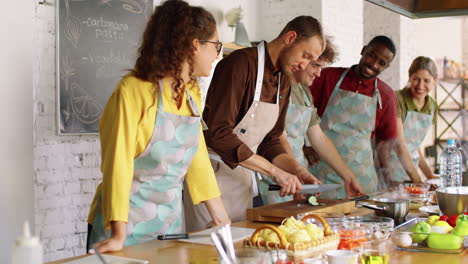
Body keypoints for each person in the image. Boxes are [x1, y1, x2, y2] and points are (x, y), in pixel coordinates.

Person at [86, 0, 230, 254]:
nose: (217, 55)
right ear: (195, 46)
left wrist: (219, 215)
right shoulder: (133, 91)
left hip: (169, 225)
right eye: (215, 46)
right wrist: (118, 233)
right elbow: (118, 164)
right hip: (124, 227)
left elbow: (198, 158)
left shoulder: (191, 94)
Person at [184, 16, 324, 232]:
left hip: (242, 184)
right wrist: (274, 172)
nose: (304, 65)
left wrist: (297, 172)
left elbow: (271, 141)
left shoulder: (284, 80)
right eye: (306, 56)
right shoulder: (240, 63)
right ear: (290, 37)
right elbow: (218, 133)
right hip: (212, 181)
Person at [259, 37, 366, 205]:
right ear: (301, 59)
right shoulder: (277, 87)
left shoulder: (305, 93)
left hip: (298, 179)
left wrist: (348, 176)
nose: (319, 73)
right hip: (273, 181)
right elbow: (279, 138)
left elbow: (318, 137)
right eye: (316, 65)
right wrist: (296, 173)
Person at [309, 35, 398, 199]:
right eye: (371, 55)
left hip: (362, 182)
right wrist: (304, 146)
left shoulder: (386, 96)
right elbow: (301, 115)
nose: (373, 64)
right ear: (363, 50)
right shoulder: (327, 77)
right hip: (322, 176)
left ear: (387, 67)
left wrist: (389, 181)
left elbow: (385, 143)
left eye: (382, 63)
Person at [390, 56, 439, 183]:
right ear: (409, 77)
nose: (420, 85)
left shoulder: (432, 106)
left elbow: (414, 144)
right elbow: (399, 144)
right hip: (388, 171)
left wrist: (429, 175)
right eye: (416, 79)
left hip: (410, 173)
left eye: (426, 80)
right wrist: (418, 182)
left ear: (435, 81)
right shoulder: (396, 99)